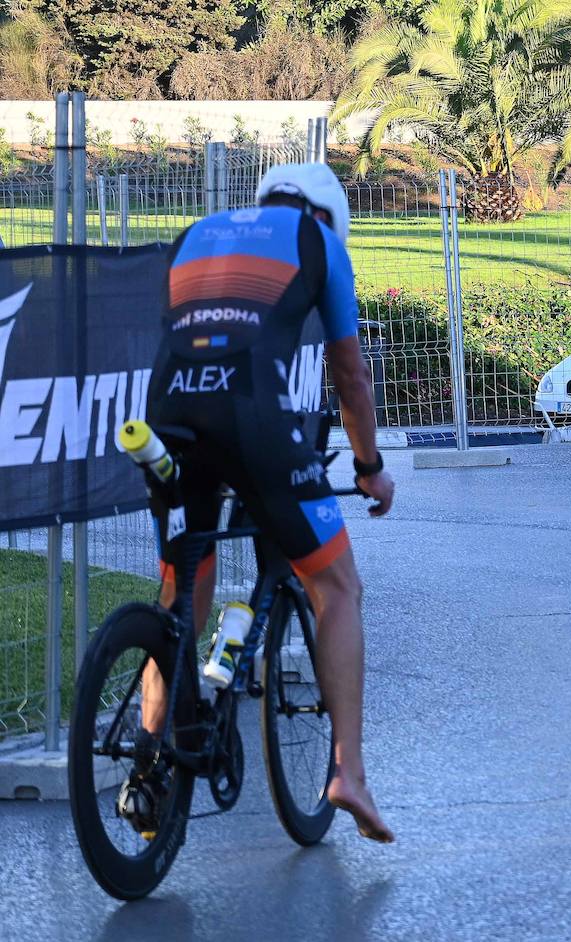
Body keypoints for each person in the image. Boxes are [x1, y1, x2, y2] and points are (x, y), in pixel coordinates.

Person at [138, 162, 395, 843]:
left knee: (182, 588)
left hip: (165, 412)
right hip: (251, 416)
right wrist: (369, 467)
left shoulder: (199, 232)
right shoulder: (319, 242)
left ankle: (149, 759)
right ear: (329, 216)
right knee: (337, 586)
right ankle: (349, 772)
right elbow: (349, 372)